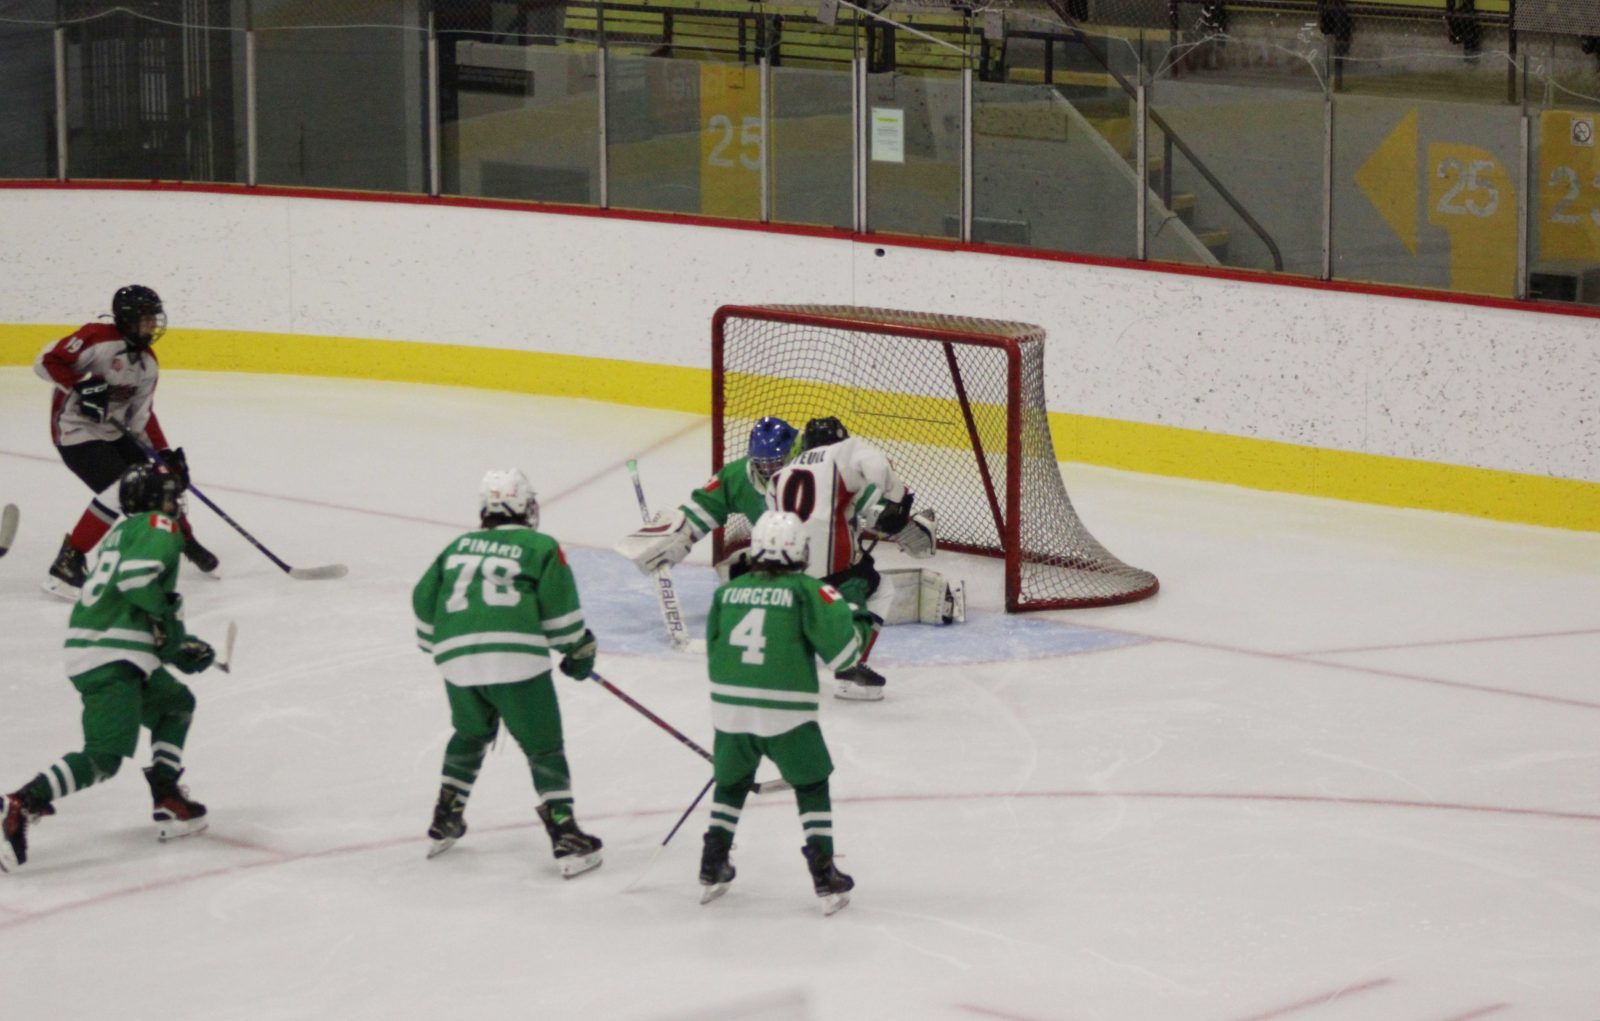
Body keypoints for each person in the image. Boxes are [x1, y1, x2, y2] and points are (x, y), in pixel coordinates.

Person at [1, 463, 218, 873]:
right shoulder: (157, 525)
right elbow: (137, 584)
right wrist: (173, 629)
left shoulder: (125, 531)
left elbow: (144, 605)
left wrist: (178, 647)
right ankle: (19, 803)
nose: (176, 504)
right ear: (154, 500)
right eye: (170, 495)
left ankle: (167, 797)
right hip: (110, 655)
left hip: (116, 649)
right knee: (105, 756)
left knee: (176, 703)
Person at [412, 468, 605, 876]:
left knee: (469, 733)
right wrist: (577, 648)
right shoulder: (539, 545)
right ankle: (565, 833)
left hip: (455, 659)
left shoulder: (456, 546)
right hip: (516, 661)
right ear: (525, 507)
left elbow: (423, 596)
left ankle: (446, 814)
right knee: (543, 747)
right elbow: (559, 610)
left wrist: (438, 643)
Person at [697, 511, 874, 916]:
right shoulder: (807, 591)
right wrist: (858, 612)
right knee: (812, 783)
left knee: (731, 781)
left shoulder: (727, 592)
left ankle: (713, 862)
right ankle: (824, 874)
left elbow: (713, 647)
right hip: (786, 714)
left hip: (729, 709)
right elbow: (846, 656)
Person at [34, 285, 218, 601]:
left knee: (163, 481)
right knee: (123, 490)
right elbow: (47, 362)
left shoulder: (148, 363)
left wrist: (163, 455)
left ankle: (185, 540)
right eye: (146, 320)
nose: (152, 326)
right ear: (128, 319)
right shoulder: (97, 338)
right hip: (75, 431)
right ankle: (68, 563)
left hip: (115, 432)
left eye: (154, 319)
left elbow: (141, 417)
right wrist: (82, 385)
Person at [765, 416, 955, 702]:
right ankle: (849, 669)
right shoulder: (841, 452)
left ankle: (785, 663)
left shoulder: (779, 476)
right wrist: (898, 499)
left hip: (784, 570)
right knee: (877, 588)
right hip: (829, 571)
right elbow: (877, 465)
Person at [615, 415, 798, 578]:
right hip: (782, 554)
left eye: (775, 463)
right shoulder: (737, 477)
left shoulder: (812, 466)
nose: (768, 470)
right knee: (733, 573)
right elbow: (705, 507)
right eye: (762, 464)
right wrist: (674, 536)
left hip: (813, 555)